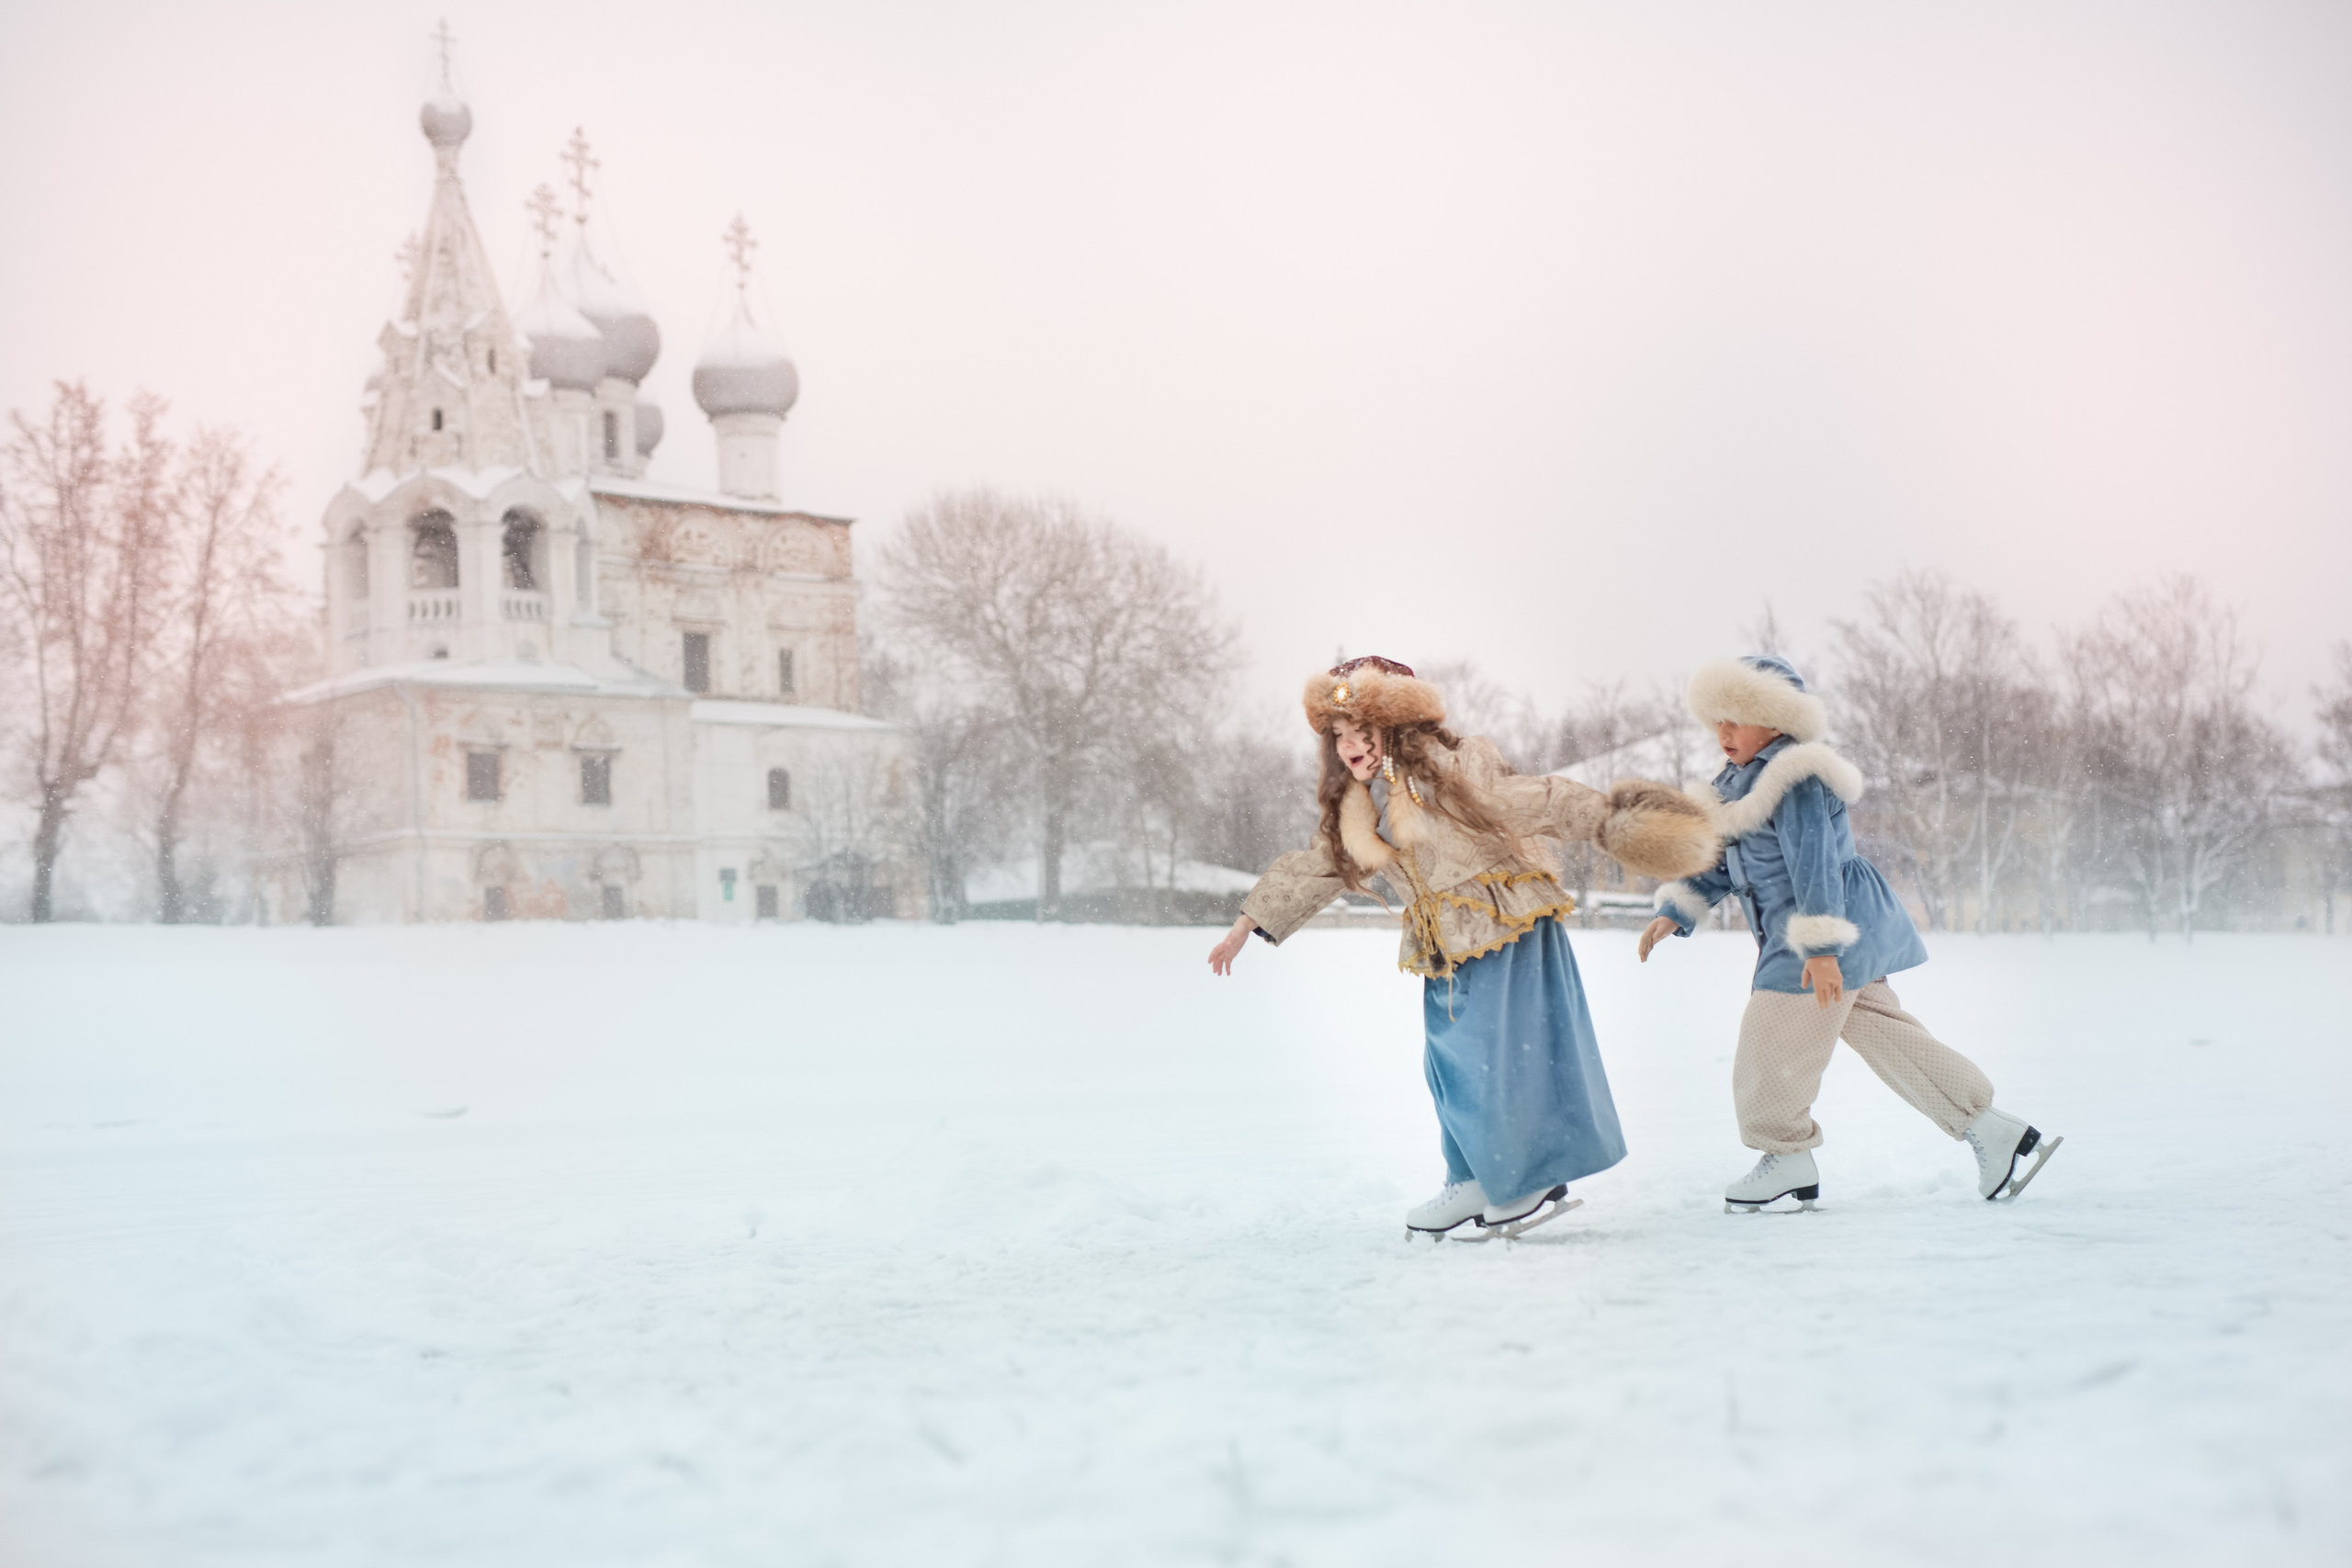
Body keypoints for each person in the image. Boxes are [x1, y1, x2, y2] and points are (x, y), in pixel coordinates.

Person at [1208, 657, 1719, 1236]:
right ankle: (1474, 1178)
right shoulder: (1360, 803)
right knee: (1448, 1069)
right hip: (1445, 945)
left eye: (1361, 731)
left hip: (1503, 927)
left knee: (1490, 1063)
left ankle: (1521, 1176)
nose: (1350, 746)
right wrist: (1247, 923)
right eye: (1339, 737)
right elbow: (1318, 865)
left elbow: (1536, 799)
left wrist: (1613, 820)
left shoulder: (1450, 770)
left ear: (1392, 724)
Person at [1638, 655, 2063, 1212]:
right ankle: (1993, 1131)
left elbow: (1814, 864)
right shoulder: (1736, 783)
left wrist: (1820, 951)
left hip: (1817, 929)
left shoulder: (1796, 776)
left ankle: (1785, 1155)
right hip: (1834, 934)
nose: (1723, 733)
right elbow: (1722, 860)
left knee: (1768, 1045)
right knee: (1892, 1042)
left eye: (1736, 719)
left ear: (1776, 718)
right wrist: (1679, 908)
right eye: (1717, 719)